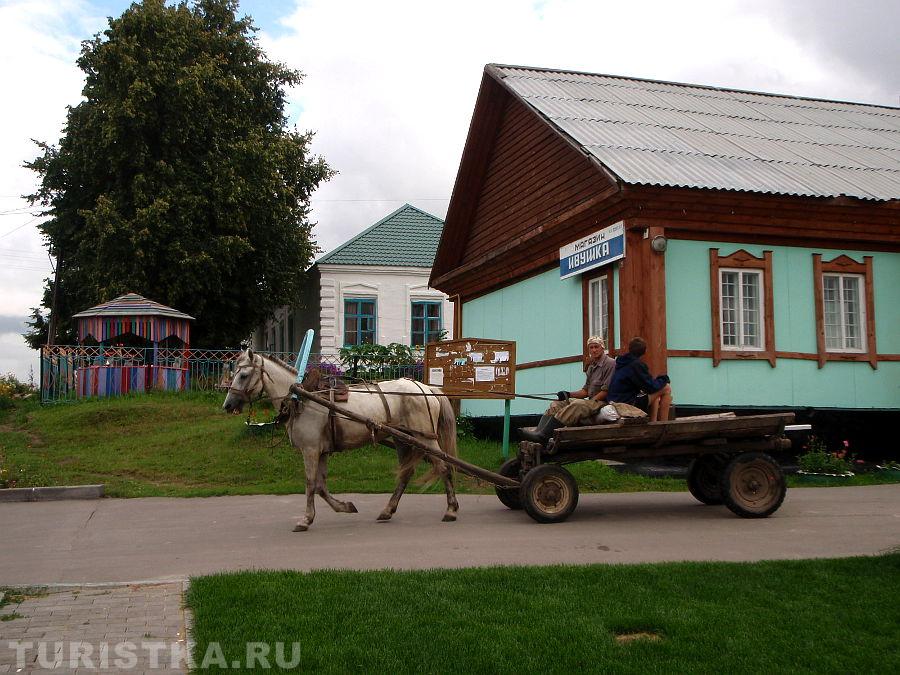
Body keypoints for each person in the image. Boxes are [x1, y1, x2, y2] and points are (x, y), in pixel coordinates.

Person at [518, 335, 616, 446]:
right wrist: (568, 394)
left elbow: (605, 391)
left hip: (602, 402)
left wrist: (589, 402)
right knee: (556, 404)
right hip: (591, 401)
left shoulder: (610, 363)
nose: (594, 350)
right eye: (591, 347)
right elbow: (585, 391)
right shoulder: (591, 366)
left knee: (578, 404)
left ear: (602, 348)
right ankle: (538, 433)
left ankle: (543, 436)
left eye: (596, 347)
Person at [607, 336, 673, 422]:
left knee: (656, 394)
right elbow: (650, 387)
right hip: (627, 403)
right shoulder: (635, 365)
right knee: (666, 388)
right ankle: (664, 424)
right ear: (645, 351)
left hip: (614, 400)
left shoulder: (622, 363)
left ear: (629, 349)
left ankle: (654, 422)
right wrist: (664, 379)